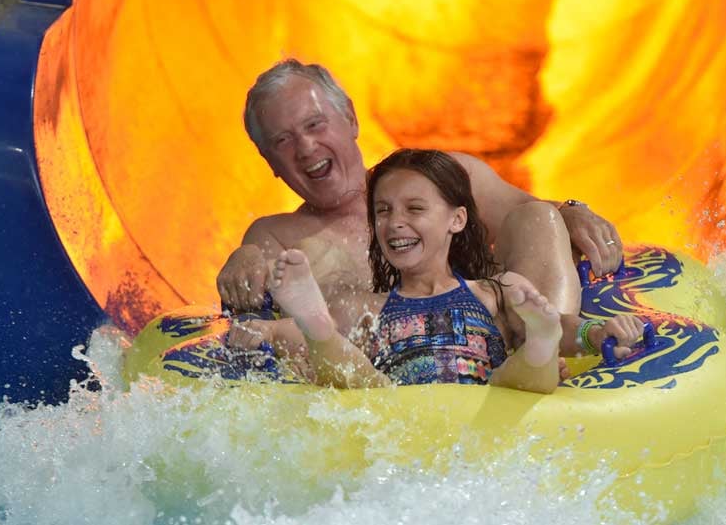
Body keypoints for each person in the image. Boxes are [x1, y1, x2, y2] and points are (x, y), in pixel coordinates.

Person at [218, 59, 624, 360]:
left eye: (314, 125)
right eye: (283, 141)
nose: (305, 148)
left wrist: (569, 210)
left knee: (539, 219)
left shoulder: (439, 176)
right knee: (341, 308)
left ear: (350, 120)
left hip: (497, 356)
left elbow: (529, 212)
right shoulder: (275, 235)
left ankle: (549, 353)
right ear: (269, 161)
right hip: (389, 385)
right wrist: (244, 259)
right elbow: (258, 298)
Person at [264, 149, 643, 393]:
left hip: (486, 405)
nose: (395, 223)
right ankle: (319, 329)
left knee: (514, 373)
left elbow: (566, 326)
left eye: (414, 209)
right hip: (401, 412)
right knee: (365, 381)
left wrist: (598, 333)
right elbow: (288, 337)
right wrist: (266, 331)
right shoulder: (367, 308)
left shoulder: (495, 292)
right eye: (383, 211)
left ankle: (539, 343)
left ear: (457, 220)